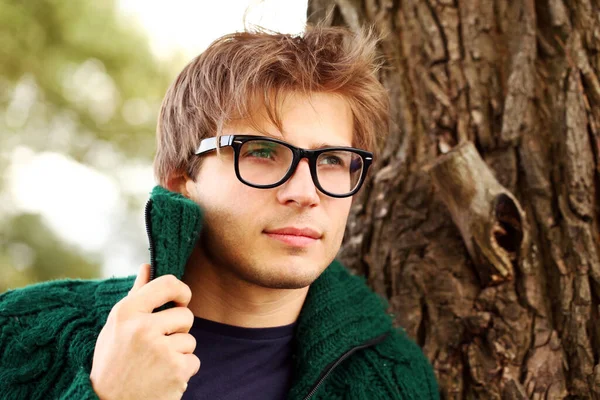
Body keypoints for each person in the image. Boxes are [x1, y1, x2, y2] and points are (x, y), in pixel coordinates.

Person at [0, 24, 439, 399]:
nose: (305, 193)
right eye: (263, 152)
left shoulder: (396, 378)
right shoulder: (20, 332)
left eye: (331, 160)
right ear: (180, 180)